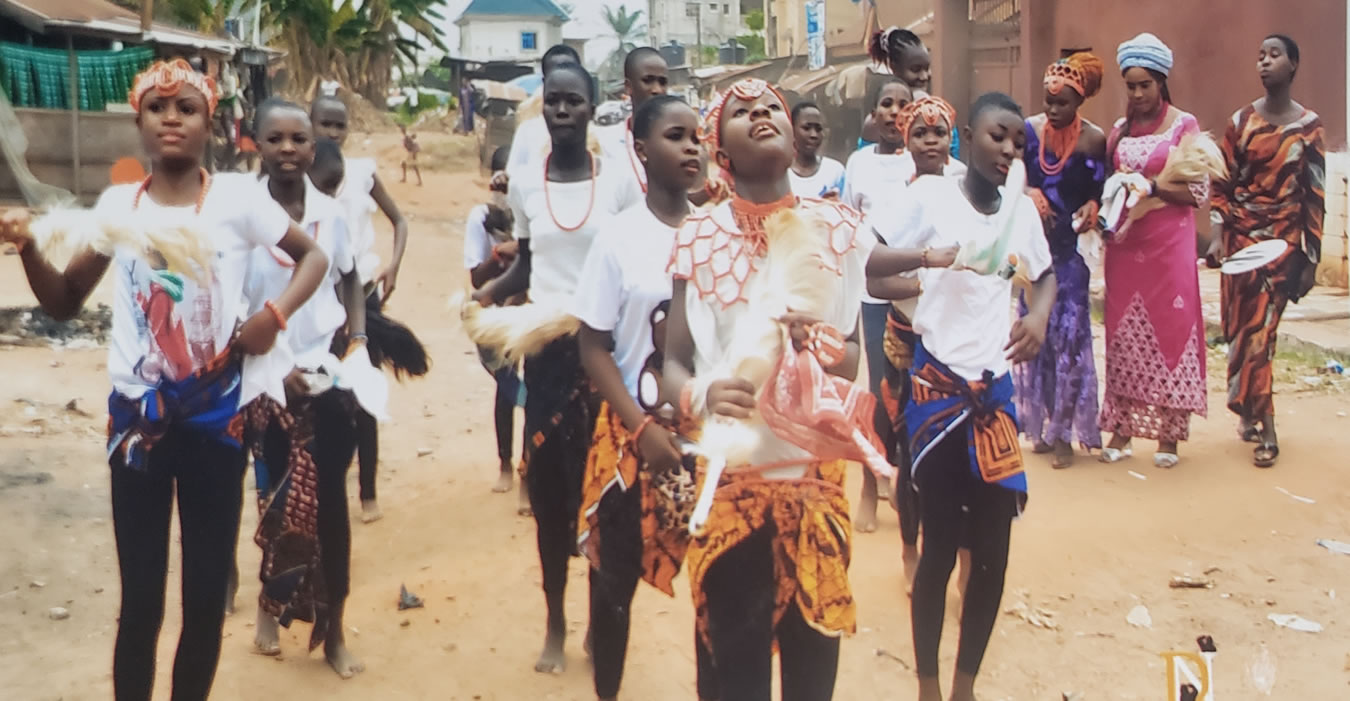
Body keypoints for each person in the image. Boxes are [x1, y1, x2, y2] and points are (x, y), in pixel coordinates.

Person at [0, 58, 327, 700]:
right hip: (139, 429)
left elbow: (312, 257)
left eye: (187, 108)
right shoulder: (120, 206)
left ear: (211, 124)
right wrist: (29, 247)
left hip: (215, 423)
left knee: (203, 599)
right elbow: (64, 302)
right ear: (139, 122)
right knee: (141, 602)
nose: (171, 118)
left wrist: (273, 316)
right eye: (157, 108)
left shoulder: (237, 200)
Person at [663, 77, 874, 701]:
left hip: (814, 488)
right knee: (735, 680)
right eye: (741, 111)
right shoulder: (698, 238)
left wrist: (821, 347)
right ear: (719, 149)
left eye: (771, 108)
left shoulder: (838, 230)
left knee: (812, 680)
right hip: (732, 489)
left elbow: (853, 356)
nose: (760, 114)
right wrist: (704, 395)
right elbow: (672, 362)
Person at [869, 91, 1054, 701]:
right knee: (940, 548)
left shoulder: (1020, 213)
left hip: (993, 397)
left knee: (994, 556)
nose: (1009, 149)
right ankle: (928, 684)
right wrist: (926, 261)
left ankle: (964, 686)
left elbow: (1045, 275)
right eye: (998, 136)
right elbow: (871, 266)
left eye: (1018, 142)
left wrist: (1038, 317)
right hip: (938, 394)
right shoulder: (931, 198)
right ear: (967, 138)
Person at [470, 63, 642, 675]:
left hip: (602, 355)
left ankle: (598, 623)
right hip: (545, 355)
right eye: (554, 102)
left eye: (574, 100)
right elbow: (529, 263)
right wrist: (485, 298)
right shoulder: (524, 183)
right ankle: (555, 623)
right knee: (549, 496)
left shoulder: (619, 181)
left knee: (604, 493)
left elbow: (631, 266)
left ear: (591, 107)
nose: (563, 110)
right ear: (543, 111)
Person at [574, 94, 708, 701]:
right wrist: (640, 429)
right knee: (614, 585)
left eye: (697, 137)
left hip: (705, 440)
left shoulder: (717, 234)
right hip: (632, 435)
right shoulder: (619, 239)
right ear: (641, 149)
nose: (691, 148)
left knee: (714, 587)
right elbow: (593, 345)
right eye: (675, 136)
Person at [242, 102, 369, 678]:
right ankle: (270, 607)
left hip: (324, 381)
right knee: (274, 504)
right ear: (256, 145)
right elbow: (229, 301)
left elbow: (350, 277)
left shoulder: (331, 216)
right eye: (275, 138)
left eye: (298, 139)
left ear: (313, 149)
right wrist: (273, 366)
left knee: (331, 510)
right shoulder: (239, 218)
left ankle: (333, 631)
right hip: (265, 384)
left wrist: (358, 340)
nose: (288, 148)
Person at [1212, 34, 1325, 468]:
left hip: (1283, 243)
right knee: (1243, 331)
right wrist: (1217, 235)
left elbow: (1314, 194)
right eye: (1260, 55)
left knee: (1262, 332)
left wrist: (1310, 259)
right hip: (1242, 241)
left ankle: (1268, 427)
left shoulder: (1309, 127)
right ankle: (1248, 409)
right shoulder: (1240, 122)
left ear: (1293, 65)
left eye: (1274, 55)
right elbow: (1221, 184)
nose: (1264, 62)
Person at [868, 94, 967, 590]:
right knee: (912, 449)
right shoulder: (900, 201)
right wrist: (926, 280)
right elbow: (875, 276)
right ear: (906, 142)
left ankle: (966, 559)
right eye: (920, 133)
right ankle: (910, 549)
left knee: (963, 450)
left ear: (951, 138)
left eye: (938, 132)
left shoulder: (967, 188)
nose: (930, 141)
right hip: (908, 341)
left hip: (960, 340)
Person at [1099, 33, 1208, 469]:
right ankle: (1121, 430)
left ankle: (1169, 436)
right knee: (1124, 334)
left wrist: (1154, 187)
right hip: (1126, 246)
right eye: (1131, 85)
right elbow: (1105, 182)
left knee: (1172, 328)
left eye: (1145, 85)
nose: (1138, 93)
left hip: (1170, 244)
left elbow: (1197, 191)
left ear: (1162, 82)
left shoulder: (1184, 127)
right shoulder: (1119, 131)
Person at [311, 94, 412, 521]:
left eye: (340, 125)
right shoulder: (301, 177)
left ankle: (367, 491)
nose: (333, 132)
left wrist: (394, 265)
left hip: (361, 296)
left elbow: (400, 220)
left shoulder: (362, 174)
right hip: (317, 300)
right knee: (321, 392)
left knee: (363, 389)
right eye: (325, 124)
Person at [1013, 52, 1108, 469]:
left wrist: (1093, 206)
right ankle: (1045, 425)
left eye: (1062, 103)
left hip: (1070, 255)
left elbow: (1100, 192)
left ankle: (1065, 433)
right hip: (1034, 256)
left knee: (1069, 341)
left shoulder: (1093, 140)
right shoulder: (1029, 132)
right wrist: (1028, 192)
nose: (1053, 110)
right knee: (1039, 341)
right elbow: (1011, 176)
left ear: (1079, 102)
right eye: (1048, 102)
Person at [841, 76, 911, 533]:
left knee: (913, 392)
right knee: (881, 391)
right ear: (873, 113)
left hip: (917, 294)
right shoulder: (860, 163)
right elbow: (850, 225)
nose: (895, 112)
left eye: (903, 104)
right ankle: (870, 485)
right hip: (872, 293)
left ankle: (905, 486)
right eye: (886, 104)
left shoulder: (930, 161)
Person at [465, 146, 529, 506]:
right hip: (499, 313)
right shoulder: (483, 218)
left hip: (532, 308)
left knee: (535, 387)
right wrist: (499, 252)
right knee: (507, 385)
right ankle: (505, 463)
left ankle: (527, 472)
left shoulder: (536, 209)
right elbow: (476, 278)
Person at [867, 27, 959, 159]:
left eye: (927, 69)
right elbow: (866, 164)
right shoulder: (876, 121)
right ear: (893, 67)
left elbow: (951, 160)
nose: (924, 76)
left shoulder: (939, 113)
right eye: (916, 69)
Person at [598, 46, 670, 195]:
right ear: (628, 87)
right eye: (648, 81)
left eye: (662, 82)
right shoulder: (606, 143)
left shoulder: (677, 141)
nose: (657, 89)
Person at [506, 44, 583, 178]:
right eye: (555, 75)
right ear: (544, 80)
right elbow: (513, 177)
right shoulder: (528, 131)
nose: (563, 79)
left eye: (569, 72)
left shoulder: (595, 132)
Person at [789, 101, 846, 199]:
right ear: (792, 129)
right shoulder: (779, 175)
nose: (814, 135)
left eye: (818, 129)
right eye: (806, 128)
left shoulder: (835, 171)